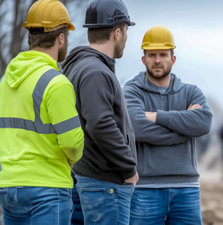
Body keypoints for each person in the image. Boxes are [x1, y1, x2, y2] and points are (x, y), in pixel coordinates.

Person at [0, 0, 84, 224]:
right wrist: (73, 159)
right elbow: (72, 144)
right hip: (47, 190)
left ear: (30, 37)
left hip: (8, 186)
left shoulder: (5, 82)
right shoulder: (57, 83)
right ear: (61, 38)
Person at [123, 26, 213, 225]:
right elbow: (136, 127)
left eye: (163, 54)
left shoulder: (191, 92)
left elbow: (204, 123)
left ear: (173, 59)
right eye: (152, 54)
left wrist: (156, 116)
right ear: (143, 59)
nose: (157, 60)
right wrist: (184, 130)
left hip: (186, 188)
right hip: (145, 189)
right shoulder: (131, 91)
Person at [61, 0, 138, 224]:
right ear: (117, 32)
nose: (125, 38)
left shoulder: (80, 67)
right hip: (106, 184)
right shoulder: (96, 71)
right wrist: (128, 168)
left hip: (90, 177)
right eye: (125, 32)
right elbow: (100, 124)